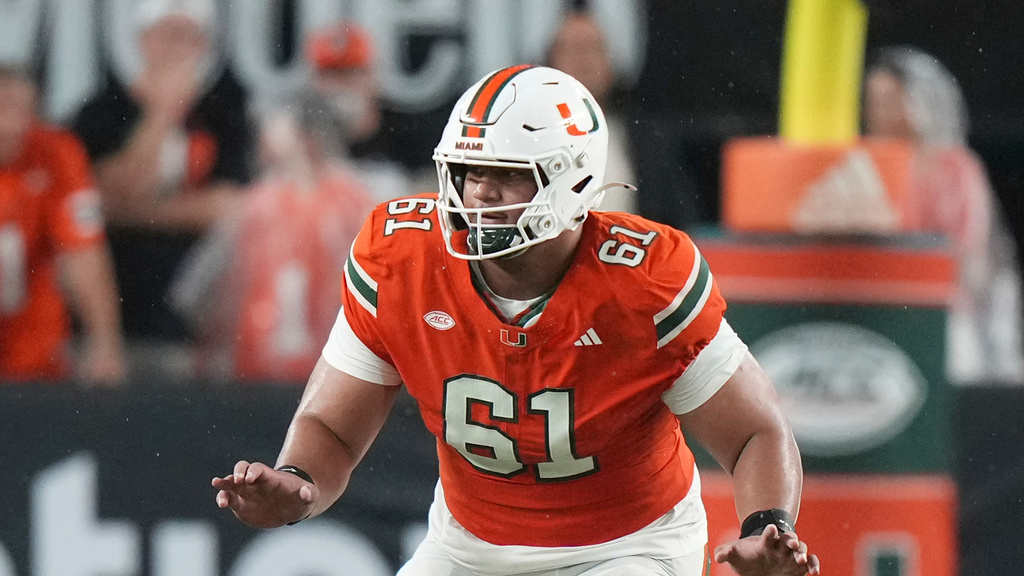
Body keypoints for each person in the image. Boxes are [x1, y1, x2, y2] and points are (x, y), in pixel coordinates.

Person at [213, 66, 819, 576]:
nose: (479, 192)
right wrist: (297, 482)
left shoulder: (642, 283)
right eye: (470, 171)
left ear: (575, 178)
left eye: (507, 173)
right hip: (469, 545)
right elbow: (333, 428)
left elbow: (754, 433)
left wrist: (767, 523)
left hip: (625, 547)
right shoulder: (403, 260)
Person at [169, 22, 380, 383]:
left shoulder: (365, 190)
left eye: (350, 74)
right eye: (330, 76)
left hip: (338, 370)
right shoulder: (261, 201)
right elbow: (198, 299)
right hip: (258, 369)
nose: (339, 90)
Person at [72, 0, 254, 343]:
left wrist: (126, 212)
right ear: (142, 39)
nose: (178, 50)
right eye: (168, 35)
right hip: (118, 297)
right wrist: (161, 115)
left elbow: (231, 206)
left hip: (196, 314)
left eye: (188, 37)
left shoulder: (225, 113)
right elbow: (94, 200)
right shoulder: (101, 111)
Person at [864, 45, 1024, 385]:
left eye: (891, 100)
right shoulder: (863, 164)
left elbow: (968, 247)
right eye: (874, 101)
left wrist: (920, 266)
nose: (879, 112)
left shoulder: (957, 168)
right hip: (879, 306)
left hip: (945, 308)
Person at [0, 64, 126, 385]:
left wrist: (104, 345)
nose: (11, 123)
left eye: (23, 109)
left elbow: (83, 252)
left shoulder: (56, 153)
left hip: (36, 362)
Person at [545, 7, 638, 215]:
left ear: (611, 65)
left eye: (592, 48)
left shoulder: (646, 143)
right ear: (550, 61)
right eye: (572, 49)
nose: (583, 60)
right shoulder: (525, 140)